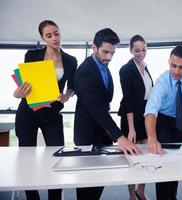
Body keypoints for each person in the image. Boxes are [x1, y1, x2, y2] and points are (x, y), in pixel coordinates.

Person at [73, 28, 141, 200]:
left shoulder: (103, 66)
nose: (109, 57)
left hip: (102, 133)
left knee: (98, 182)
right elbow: (96, 108)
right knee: (87, 186)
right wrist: (120, 137)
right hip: (87, 135)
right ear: (93, 47)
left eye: (112, 53)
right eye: (105, 52)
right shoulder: (84, 72)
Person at [13, 20, 77, 200]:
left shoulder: (71, 61)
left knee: (56, 157)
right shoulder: (31, 55)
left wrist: (67, 95)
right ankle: (32, 197)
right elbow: (27, 84)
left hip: (52, 113)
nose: (54, 38)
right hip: (28, 112)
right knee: (27, 159)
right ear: (42, 38)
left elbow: (72, 87)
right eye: (49, 35)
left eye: (56, 33)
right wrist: (19, 92)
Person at [144, 45, 182, 200]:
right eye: (174, 66)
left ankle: (172, 196)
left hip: (179, 119)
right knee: (163, 161)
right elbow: (151, 110)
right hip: (162, 120)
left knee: (176, 160)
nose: (177, 71)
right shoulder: (162, 80)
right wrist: (152, 139)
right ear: (169, 62)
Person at [118, 35, 153, 200]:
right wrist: (131, 128)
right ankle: (132, 195)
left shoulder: (145, 67)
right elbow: (128, 100)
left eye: (144, 50)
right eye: (137, 50)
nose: (141, 53)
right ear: (131, 50)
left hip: (144, 116)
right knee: (131, 157)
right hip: (130, 117)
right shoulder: (126, 69)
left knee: (146, 155)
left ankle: (141, 190)